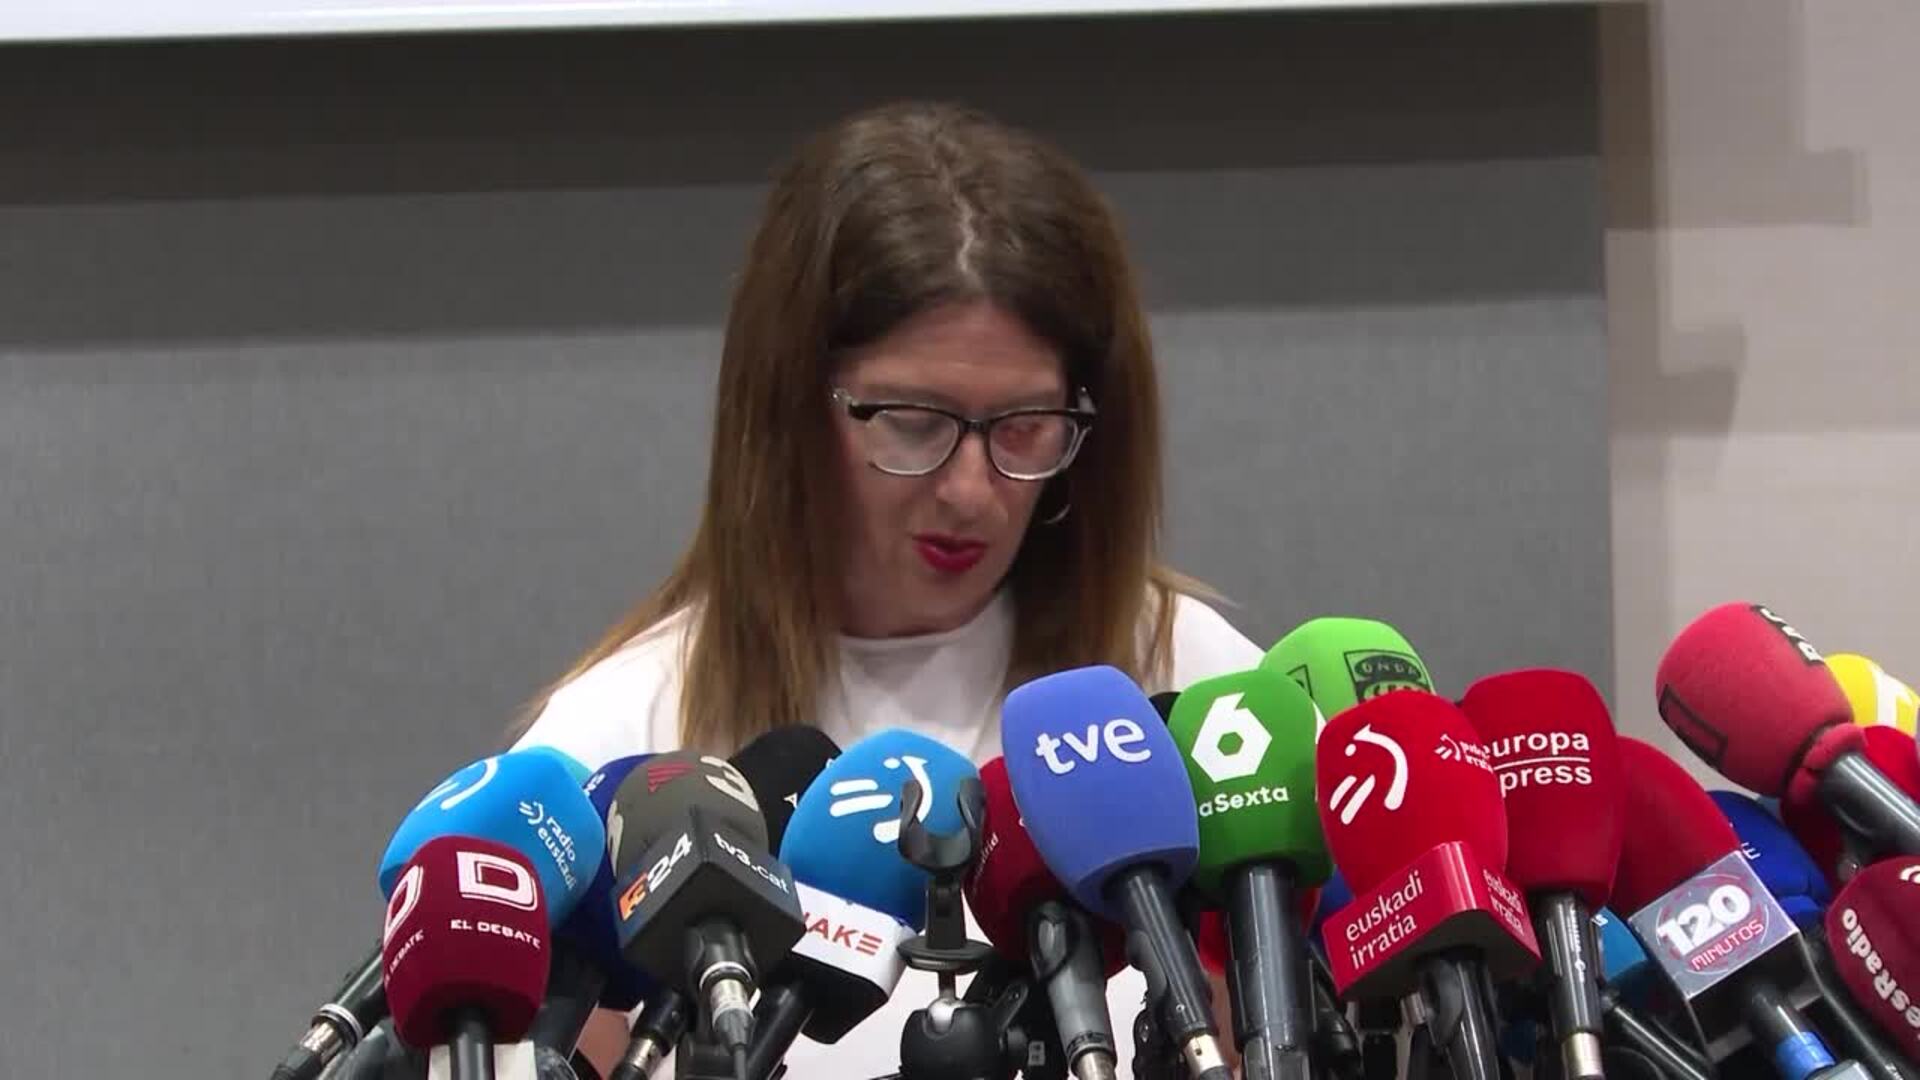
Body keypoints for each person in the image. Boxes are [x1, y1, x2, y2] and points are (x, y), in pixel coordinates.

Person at [514, 100, 1264, 1079]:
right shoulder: (619, 750)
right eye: (913, 422)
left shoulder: (1199, 689)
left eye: (1025, 425)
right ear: (791, 408)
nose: (971, 490)